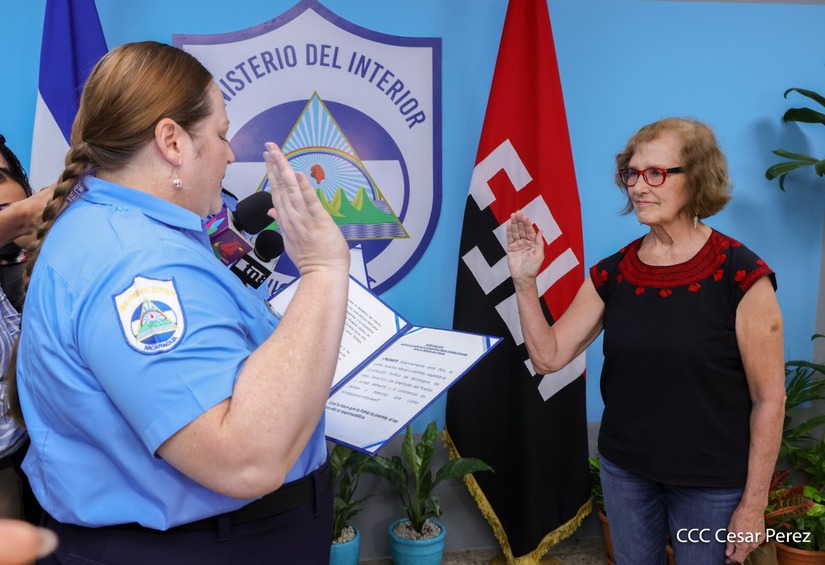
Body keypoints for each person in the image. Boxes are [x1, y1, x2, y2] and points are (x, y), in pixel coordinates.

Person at [6, 40, 350, 564]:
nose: (229, 154)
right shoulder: (139, 264)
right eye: (221, 135)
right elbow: (242, 460)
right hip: (201, 547)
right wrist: (324, 270)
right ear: (172, 141)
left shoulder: (119, 230)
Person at [507, 118, 785, 565]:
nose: (638, 186)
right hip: (626, 473)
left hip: (712, 482)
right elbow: (548, 357)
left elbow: (769, 399)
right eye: (631, 174)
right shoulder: (613, 272)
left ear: (696, 179)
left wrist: (753, 505)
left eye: (656, 173)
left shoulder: (742, 275)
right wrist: (525, 282)